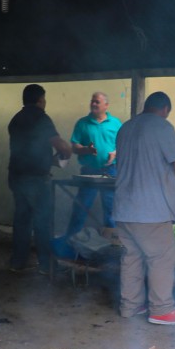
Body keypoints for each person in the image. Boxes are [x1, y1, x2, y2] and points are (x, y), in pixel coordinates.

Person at [113, 91, 175, 325]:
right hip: (150, 209)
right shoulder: (162, 126)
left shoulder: (125, 127)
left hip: (125, 207)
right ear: (165, 109)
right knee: (161, 257)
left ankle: (130, 305)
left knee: (132, 258)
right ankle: (161, 309)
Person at [7, 84, 72, 274]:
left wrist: (48, 160)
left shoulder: (15, 119)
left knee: (21, 221)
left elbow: (27, 151)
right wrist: (65, 155)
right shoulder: (41, 118)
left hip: (17, 176)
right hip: (36, 180)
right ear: (40, 100)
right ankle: (46, 265)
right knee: (43, 222)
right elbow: (61, 146)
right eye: (44, 100)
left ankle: (17, 262)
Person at [64, 92, 123, 239]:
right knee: (81, 206)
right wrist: (86, 150)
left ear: (106, 105)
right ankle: (70, 241)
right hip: (88, 171)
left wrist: (115, 153)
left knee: (111, 208)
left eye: (97, 102)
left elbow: (123, 144)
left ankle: (111, 246)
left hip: (111, 171)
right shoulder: (82, 123)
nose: (94, 104)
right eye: (92, 101)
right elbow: (74, 147)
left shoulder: (116, 123)